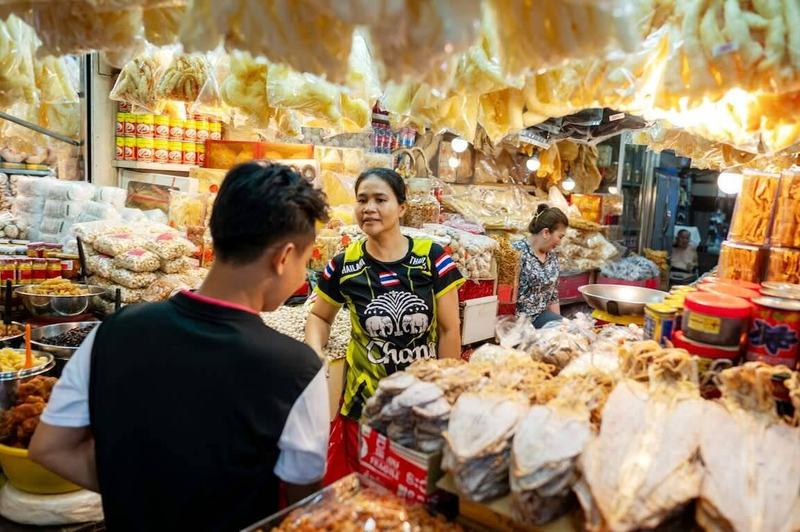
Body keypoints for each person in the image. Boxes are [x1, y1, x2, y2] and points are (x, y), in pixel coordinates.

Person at [29, 163, 330, 532]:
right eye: (306, 259)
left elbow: (49, 448)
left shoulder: (114, 331)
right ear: (283, 257)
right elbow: (304, 506)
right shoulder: (298, 370)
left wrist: (137, 490)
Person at [305, 167, 464, 483]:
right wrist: (314, 351)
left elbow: (449, 329)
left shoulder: (432, 257)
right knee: (366, 495)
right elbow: (320, 316)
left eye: (380, 199)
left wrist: (445, 392)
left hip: (420, 406)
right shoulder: (344, 264)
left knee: (413, 495)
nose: (369, 208)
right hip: (364, 406)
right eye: (362, 200)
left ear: (402, 207)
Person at [514, 204, 569, 328]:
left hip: (541, 318)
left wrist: (560, 327)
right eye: (560, 237)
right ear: (546, 232)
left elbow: (553, 296)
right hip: (518, 322)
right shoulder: (517, 253)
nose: (560, 242)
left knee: (568, 330)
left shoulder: (552, 257)